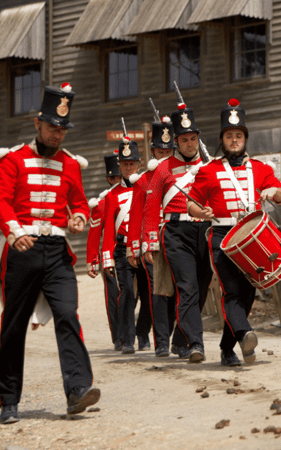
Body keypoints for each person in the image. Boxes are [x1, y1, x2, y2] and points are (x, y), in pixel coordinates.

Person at [0, 83, 100, 424]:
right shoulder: (13, 159)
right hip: (23, 249)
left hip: (57, 250)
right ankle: (7, 398)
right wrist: (14, 232)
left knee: (68, 314)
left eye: (62, 130)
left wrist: (79, 217)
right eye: (52, 128)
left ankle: (77, 390)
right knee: (12, 325)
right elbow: (1, 200)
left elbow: (80, 202)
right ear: (37, 124)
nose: (57, 135)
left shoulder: (71, 164)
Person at [187, 98, 281, 367]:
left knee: (246, 295)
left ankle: (226, 348)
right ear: (222, 139)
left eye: (239, 135)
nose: (235, 140)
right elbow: (191, 203)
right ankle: (245, 334)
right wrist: (200, 213)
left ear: (245, 138)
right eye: (229, 135)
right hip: (222, 236)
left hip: (252, 235)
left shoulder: (261, 168)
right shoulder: (208, 171)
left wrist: (273, 192)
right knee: (231, 291)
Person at [142, 101, 213, 363]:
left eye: (193, 139)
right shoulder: (162, 168)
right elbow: (151, 206)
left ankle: (181, 338)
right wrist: (149, 242)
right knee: (188, 287)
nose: (190, 144)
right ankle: (196, 343)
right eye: (184, 140)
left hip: (203, 230)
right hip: (175, 231)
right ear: (176, 141)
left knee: (203, 285)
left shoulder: (208, 167)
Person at [127, 115, 186, 357]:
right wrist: (135, 246)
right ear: (152, 151)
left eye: (168, 150)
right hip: (154, 243)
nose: (163, 155)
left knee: (182, 291)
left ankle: (178, 339)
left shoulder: (181, 175)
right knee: (159, 293)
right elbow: (135, 216)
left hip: (179, 238)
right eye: (159, 151)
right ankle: (161, 341)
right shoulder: (143, 181)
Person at [101, 132, 151, 354]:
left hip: (145, 248)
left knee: (150, 294)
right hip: (122, 250)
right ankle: (128, 339)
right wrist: (107, 259)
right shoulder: (111, 195)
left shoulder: (149, 188)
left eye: (132, 164)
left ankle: (142, 333)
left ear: (139, 164)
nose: (129, 168)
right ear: (119, 166)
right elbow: (109, 230)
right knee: (128, 293)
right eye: (125, 164)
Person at [86, 151, 122, 350]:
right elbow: (94, 234)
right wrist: (92, 259)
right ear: (109, 179)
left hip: (133, 251)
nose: (120, 180)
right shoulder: (100, 204)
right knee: (114, 296)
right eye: (116, 177)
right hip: (111, 254)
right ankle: (118, 336)